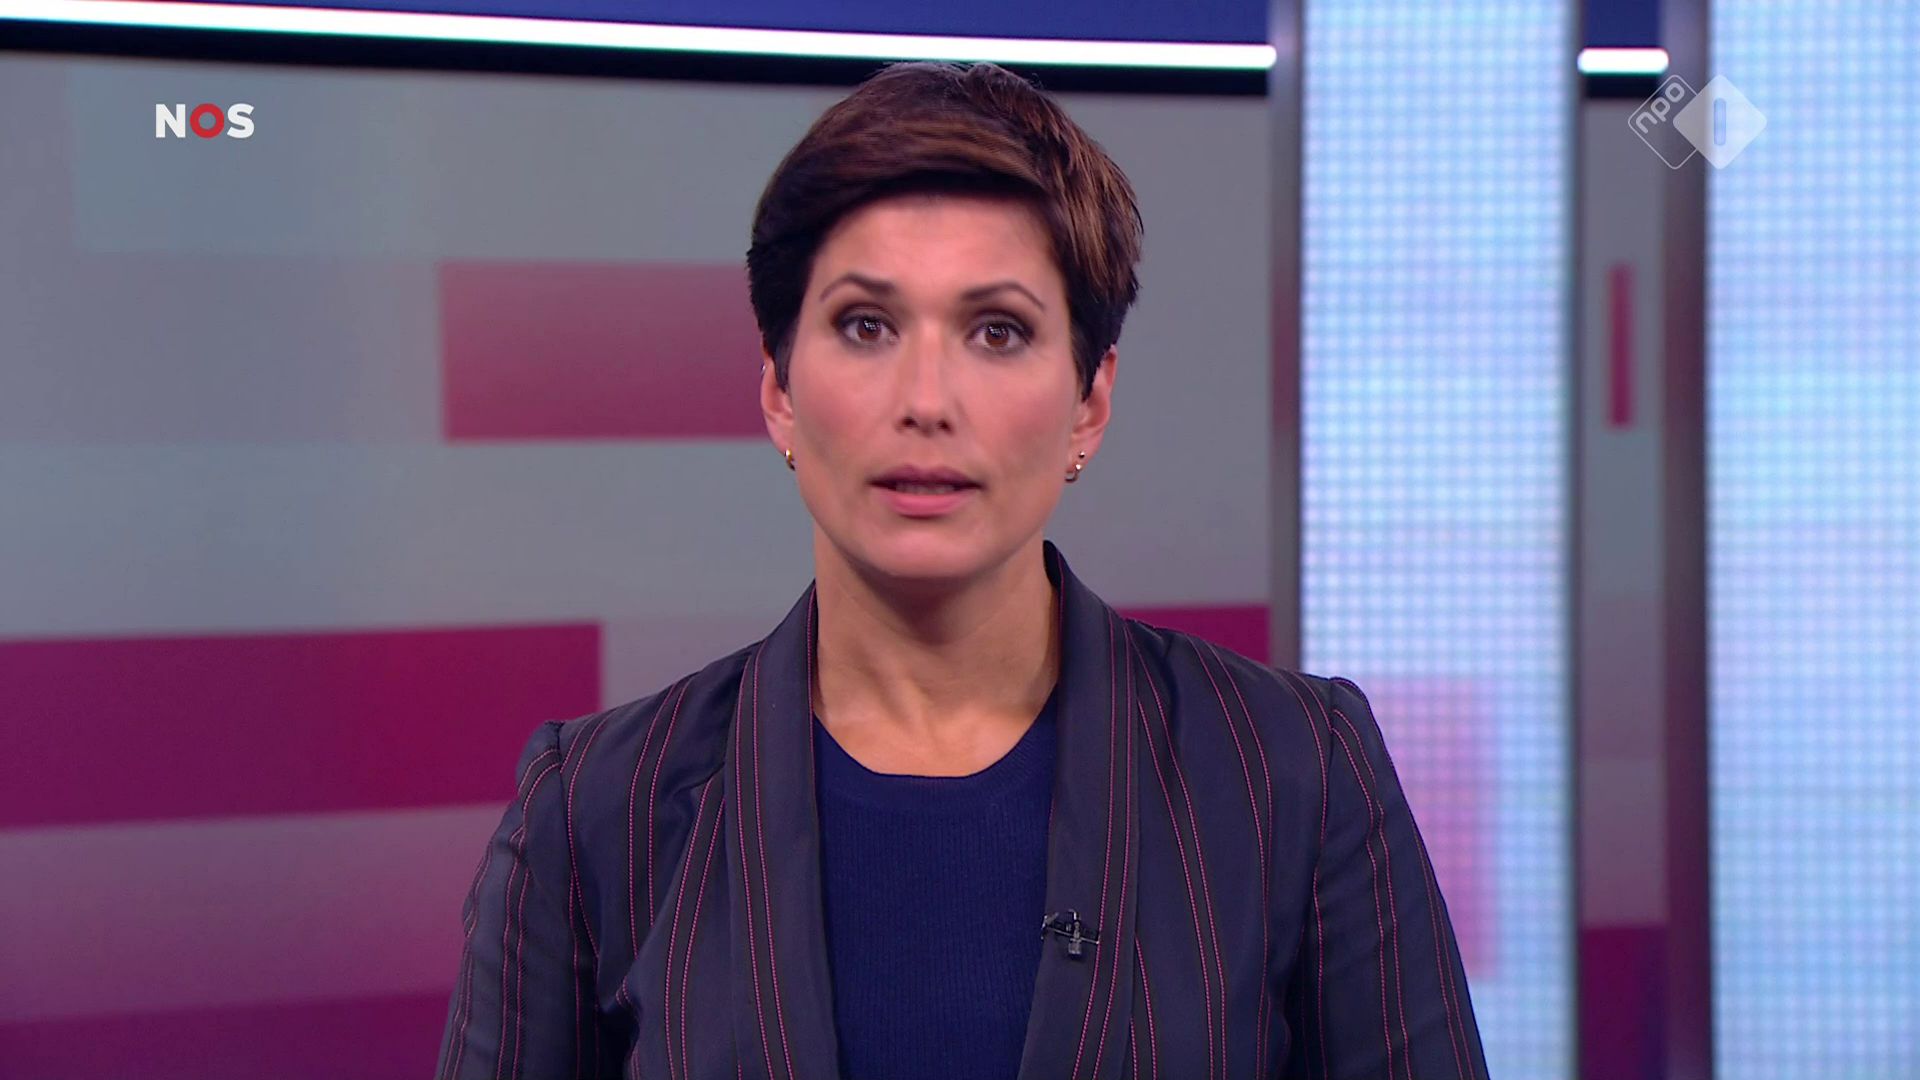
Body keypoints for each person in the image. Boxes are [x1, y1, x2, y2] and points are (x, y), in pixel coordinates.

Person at [435, 59, 1487, 1080]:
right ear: (779, 390)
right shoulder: (596, 811)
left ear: (1090, 402)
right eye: (866, 325)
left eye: (997, 331)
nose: (926, 400)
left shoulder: (1296, 773)